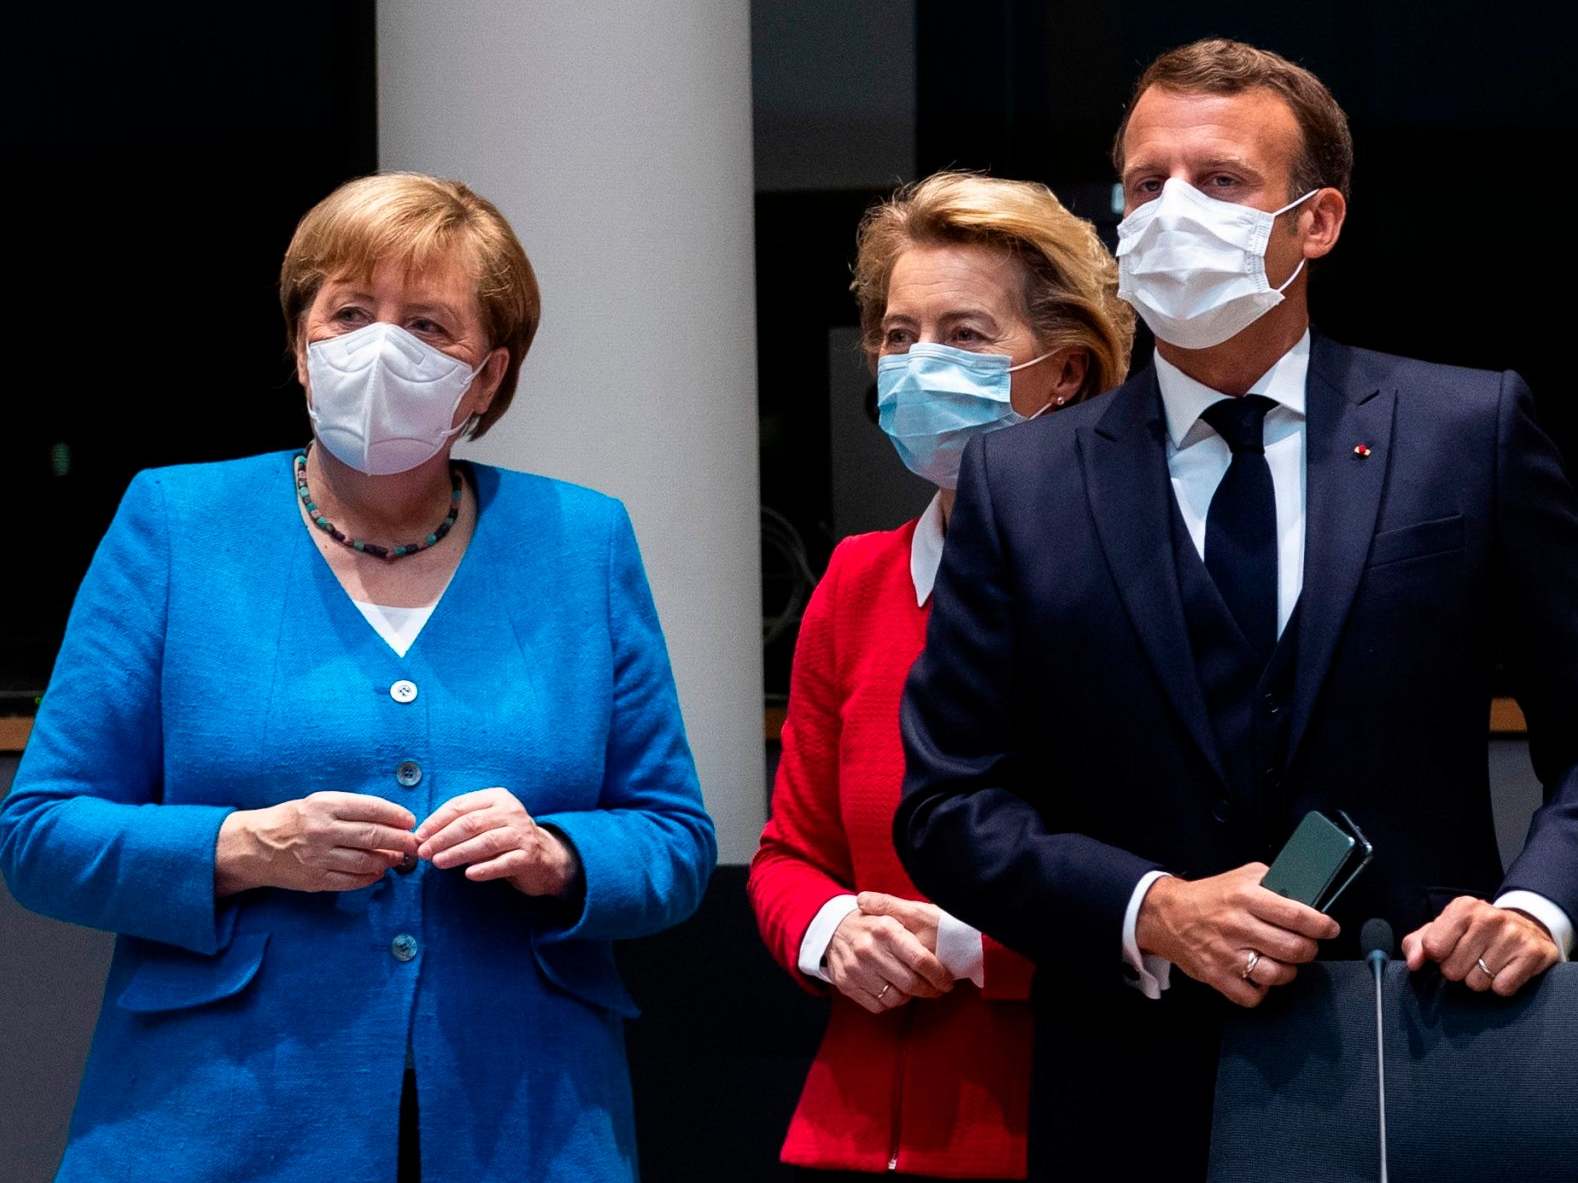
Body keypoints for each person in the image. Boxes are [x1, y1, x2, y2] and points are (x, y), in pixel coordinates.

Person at [895, 39, 1578, 1181]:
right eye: (1145, 184)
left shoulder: (1468, 433)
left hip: (1420, 1045)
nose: (1170, 212)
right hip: (1129, 1078)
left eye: (1219, 182)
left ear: (1317, 222)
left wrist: (1541, 906)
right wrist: (1147, 905)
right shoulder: (1024, 482)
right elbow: (948, 802)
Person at [0, 172, 716, 1183]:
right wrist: (245, 844)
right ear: (301, 342)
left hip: (522, 1119)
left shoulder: (581, 540)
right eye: (349, 312)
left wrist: (558, 853)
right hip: (215, 1122)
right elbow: (40, 834)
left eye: (428, 325)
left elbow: (676, 838)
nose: (382, 347)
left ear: (487, 376)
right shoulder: (176, 523)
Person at [750, 171, 1135, 1181]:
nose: (920, 364)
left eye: (964, 336)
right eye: (899, 335)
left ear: (1065, 372)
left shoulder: (1146, 583)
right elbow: (790, 857)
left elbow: (1181, 884)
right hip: (850, 1126)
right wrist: (833, 929)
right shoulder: (855, 580)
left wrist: (978, 946)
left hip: (1065, 1114)